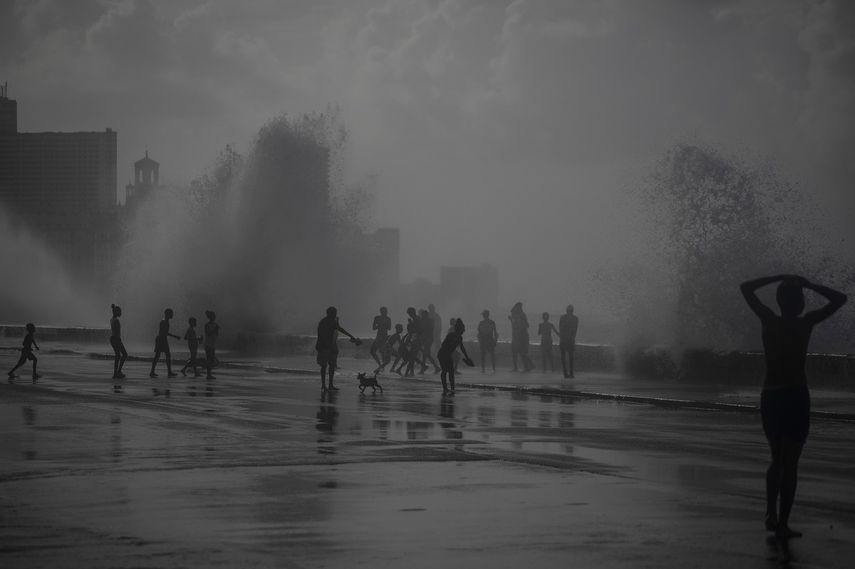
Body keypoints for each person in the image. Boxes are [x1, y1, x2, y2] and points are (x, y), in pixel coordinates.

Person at [740, 274, 847, 539]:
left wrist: (779, 276)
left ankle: (770, 514)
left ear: (779, 301)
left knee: (777, 460)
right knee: (791, 463)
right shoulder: (806, 322)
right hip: (796, 396)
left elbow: (746, 288)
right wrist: (808, 284)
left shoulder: (768, 320)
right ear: (799, 303)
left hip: (772, 395)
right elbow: (840, 299)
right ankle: (783, 523)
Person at [316, 306, 361, 392]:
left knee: (332, 366)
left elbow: (341, 329)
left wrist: (351, 336)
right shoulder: (323, 322)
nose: (335, 314)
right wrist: (322, 346)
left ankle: (330, 385)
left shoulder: (333, 321)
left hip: (331, 346)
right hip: (323, 346)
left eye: (335, 313)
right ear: (329, 313)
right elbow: (320, 335)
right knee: (324, 366)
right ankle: (323, 385)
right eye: (334, 313)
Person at [437, 318, 474, 395]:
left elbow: (462, 348)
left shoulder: (460, 337)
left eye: (464, 329)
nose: (464, 330)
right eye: (463, 329)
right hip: (442, 354)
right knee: (445, 371)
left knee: (451, 371)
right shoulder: (451, 335)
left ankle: (452, 388)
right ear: (458, 329)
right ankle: (445, 388)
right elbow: (443, 345)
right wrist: (451, 345)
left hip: (448, 355)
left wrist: (467, 357)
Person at [150, 308, 181, 378]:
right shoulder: (164, 321)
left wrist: (175, 337)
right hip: (161, 339)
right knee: (162, 355)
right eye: (171, 313)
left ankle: (154, 371)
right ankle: (168, 372)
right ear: (167, 314)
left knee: (161, 355)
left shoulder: (165, 321)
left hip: (161, 339)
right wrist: (175, 337)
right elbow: (165, 333)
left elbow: (165, 333)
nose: (172, 315)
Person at [509, 302, 534, 372]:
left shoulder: (521, 315)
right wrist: (512, 319)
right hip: (517, 336)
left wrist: (515, 320)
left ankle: (528, 366)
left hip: (521, 336)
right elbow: (515, 326)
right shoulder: (519, 315)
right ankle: (526, 366)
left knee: (521, 353)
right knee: (517, 352)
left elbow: (526, 325)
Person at [559, 304, 579, 378]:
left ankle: (567, 372)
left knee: (566, 357)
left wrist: (562, 338)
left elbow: (560, 328)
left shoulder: (563, 317)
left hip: (565, 339)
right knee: (570, 357)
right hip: (568, 339)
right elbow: (575, 330)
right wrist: (572, 338)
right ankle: (569, 373)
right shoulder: (575, 318)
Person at [419, 308, 440, 374]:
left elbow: (427, 330)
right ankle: (436, 367)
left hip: (428, 339)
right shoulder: (428, 321)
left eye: (423, 315)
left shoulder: (429, 321)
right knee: (426, 354)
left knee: (425, 354)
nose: (422, 316)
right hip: (426, 339)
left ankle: (424, 368)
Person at [110, 304, 127, 379]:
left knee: (118, 356)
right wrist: (119, 340)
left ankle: (116, 373)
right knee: (125, 355)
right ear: (117, 312)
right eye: (120, 311)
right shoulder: (116, 320)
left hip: (113, 339)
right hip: (116, 339)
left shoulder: (112, 319)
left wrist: (113, 308)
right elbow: (117, 332)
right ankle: (118, 372)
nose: (121, 313)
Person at [203, 310, 219, 379]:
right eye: (213, 316)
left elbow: (217, 334)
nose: (214, 317)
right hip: (208, 343)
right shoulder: (207, 325)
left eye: (214, 316)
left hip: (213, 343)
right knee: (210, 359)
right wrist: (215, 329)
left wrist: (217, 330)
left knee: (211, 360)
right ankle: (208, 374)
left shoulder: (216, 324)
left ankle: (208, 373)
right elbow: (207, 334)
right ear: (210, 317)